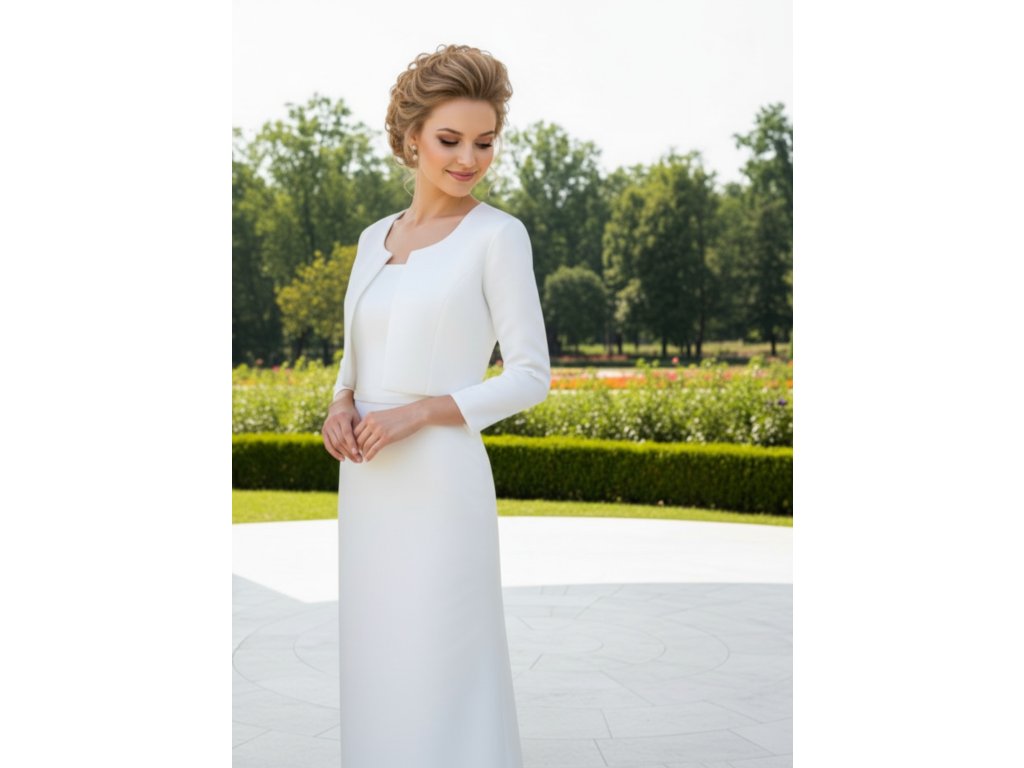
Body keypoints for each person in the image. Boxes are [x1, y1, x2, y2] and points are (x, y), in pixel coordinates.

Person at [320, 44, 551, 768]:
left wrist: (417, 413)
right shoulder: (373, 239)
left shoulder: (498, 236)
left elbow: (531, 375)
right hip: (367, 481)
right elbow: (356, 354)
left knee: (444, 651)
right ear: (410, 136)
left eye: (485, 142)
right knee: (377, 647)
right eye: (450, 140)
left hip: (442, 478)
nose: (469, 159)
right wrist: (340, 403)